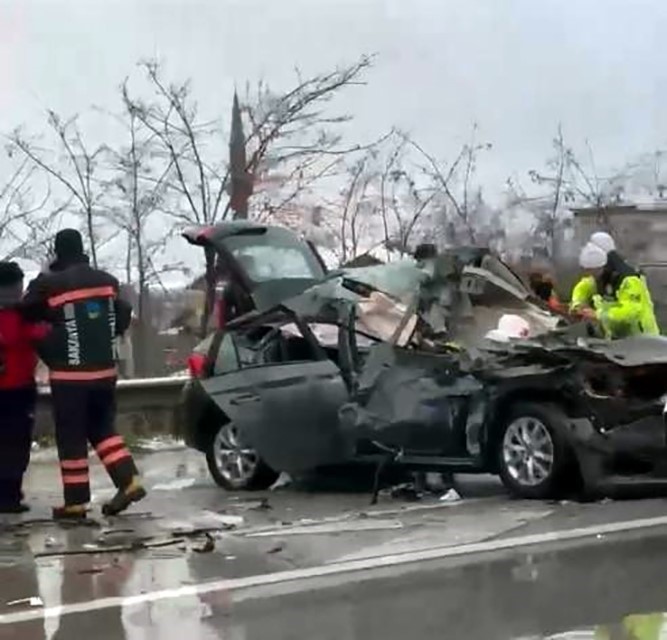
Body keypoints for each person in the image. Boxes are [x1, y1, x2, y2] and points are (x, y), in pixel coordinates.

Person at [22, 229, 146, 520]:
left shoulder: (51, 284)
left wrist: (45, 291)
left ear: (58, 253)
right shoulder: (107, 281)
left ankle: (76, 503)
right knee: (102, 428)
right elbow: (123, 312)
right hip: (105, 371)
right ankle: (129, 481)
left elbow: (27, 307)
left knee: (71, 436)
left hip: (71, 376)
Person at [0, 262, 48, 513]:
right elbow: (41, 335)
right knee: (15, 444)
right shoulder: (23, 315)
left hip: (15, 386)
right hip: (18, 389)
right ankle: (9, 497)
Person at [571, 239, 659, 338]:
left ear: (600, 267)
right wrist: (577, 304)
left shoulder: (628, 280)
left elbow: (631, 311)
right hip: (619, 337)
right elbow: (583, 287)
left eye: (591, 271)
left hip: (642, 336)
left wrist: (598, 315)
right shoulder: (600, 275)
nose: (590, 276)